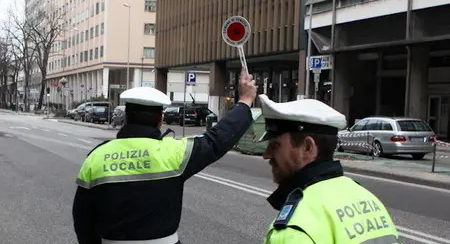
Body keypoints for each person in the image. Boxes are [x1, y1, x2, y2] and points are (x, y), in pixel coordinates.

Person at [72, 67, 257, 244]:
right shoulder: (175, 152)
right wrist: (245, 100)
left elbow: (82, 217)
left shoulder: (96, 157)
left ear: (126, 117)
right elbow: (218, 139)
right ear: (160, 119)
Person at [257, 95, 400, 244]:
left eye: (275, 145)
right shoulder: (368, 199)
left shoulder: (294, 228)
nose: (266, 155)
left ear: (307, 147)